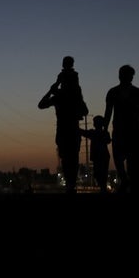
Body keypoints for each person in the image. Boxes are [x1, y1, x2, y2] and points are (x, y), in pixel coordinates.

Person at [38, 56, 88, 194]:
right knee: (72, 158)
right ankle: (71, 185)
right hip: (72, 130)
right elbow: (85, 111)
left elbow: (41, 105)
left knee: (67, 159)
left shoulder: (59, 96)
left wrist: (51, 90)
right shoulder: (73, 96)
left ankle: (70, 185)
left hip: (64, 130)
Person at [103, 64, 139, 194]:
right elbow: (108, 112)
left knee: (131, 159)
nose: (127, 77)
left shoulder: (137, 92)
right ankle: (125, 180)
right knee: (118, 158)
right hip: (120, 130)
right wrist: (105, 129)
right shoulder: (113, 92)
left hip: (133, 131)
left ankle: (130, 183)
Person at [79, 115, 111, 193]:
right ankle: (103, 189)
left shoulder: (94, 133)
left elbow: (83, 132)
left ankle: (103, 189)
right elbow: (108, 140)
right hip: (104, 156)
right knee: (102, 174)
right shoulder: (104, 133)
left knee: (99, 174)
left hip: (99, 157)